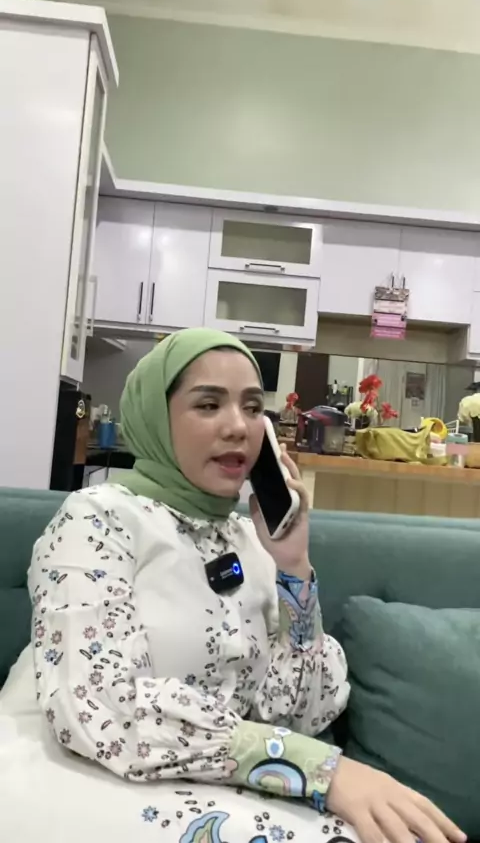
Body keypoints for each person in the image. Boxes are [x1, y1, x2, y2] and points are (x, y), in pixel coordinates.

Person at [0, 329, 465, 843]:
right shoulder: (97, 520)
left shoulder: (252, 541)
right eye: (208, 405)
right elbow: (100, 710)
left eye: (252, 407)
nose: (239, 427)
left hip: (204, 786)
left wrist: (293, 568)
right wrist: (316, 769)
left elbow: (298, 714)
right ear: (156, 417)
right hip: (73, 772)